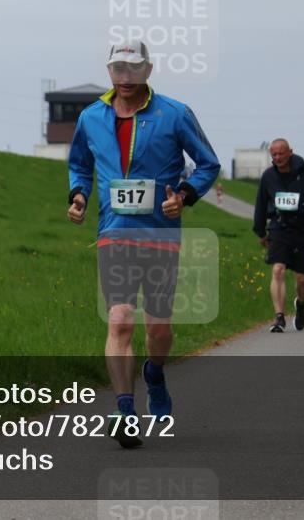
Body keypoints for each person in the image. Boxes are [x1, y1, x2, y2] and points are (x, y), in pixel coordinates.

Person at [67, 39, 220, 448]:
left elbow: (209, 163)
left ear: (148, 71)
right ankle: (124, 410)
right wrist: (78, 195)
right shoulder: (91, 117)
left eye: (134, 69)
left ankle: (154, 371)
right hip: (114, 234)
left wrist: (184, 196)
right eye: (119, 69)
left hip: (160, 236)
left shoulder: (174, 113)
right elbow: (80, 164)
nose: (126, 77)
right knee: (118, 319)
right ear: (109, 71)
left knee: (158, 328)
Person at [252, 139, 304, 333]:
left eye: (281, 154)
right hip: (278, 229)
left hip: (302, 230)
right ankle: (279, 317)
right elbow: (261, 205)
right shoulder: (268, 176)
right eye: (274, 155)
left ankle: (301, 305)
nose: (277, 158)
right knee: (278, 269)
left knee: (302, 278)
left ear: (290, 152)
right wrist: (261, 231)